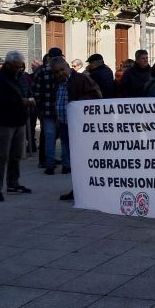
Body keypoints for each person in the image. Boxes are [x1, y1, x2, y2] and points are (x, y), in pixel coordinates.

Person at [49, 56, 102, 200]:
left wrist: (78, 105)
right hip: (65, 126)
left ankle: (89, 189)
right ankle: (77, 188)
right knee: (74, 160)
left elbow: (96, 97)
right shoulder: (58, 83)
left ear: (68, 66)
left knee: (83, 159)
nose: (60, 73)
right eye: (56, 72)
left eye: (62, 70)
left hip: (80, 127)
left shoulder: (81, 79)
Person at [0, 51, 34, 202]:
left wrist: (30, 100)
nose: (18, 69)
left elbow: (26, 91)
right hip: (3, 122)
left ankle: (13, 183)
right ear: (8, 64)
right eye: (16, 66)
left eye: (21, 67)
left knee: (16, 155)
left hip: (19, 120)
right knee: (1, 156)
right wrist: (21, 101)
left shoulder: (20, 76)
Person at [33, 47, 65, 175]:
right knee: (64, 137)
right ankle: (66, 165)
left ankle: (49, 165)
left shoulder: (40, 72)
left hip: (46, 111)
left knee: (49, 138)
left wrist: (39, 108)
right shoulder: (63, 70)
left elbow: (36, 92)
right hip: (62, 110)